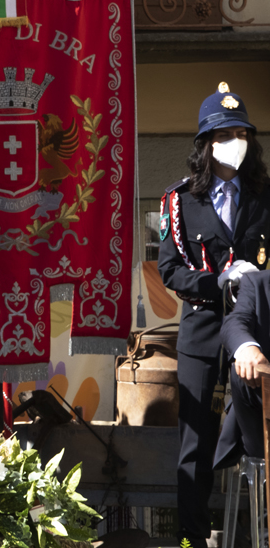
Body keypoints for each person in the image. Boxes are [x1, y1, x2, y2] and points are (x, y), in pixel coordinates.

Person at [158, 81, 270, 548]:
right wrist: (216, 281)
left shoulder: (265, 195)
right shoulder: (180, 201)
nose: (235, 143)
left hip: (255, 327)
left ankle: (257, 528)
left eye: (241, 133)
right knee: (195, 439)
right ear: (205, 144)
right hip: (203, 325)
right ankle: (193, 533)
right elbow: (170, 269)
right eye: (224, 135)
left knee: (258, 430)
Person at [219, 268, 270, 467]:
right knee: (244, 372)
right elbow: (235, 322)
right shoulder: (257, 283)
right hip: (264, 407)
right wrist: (247, 348)